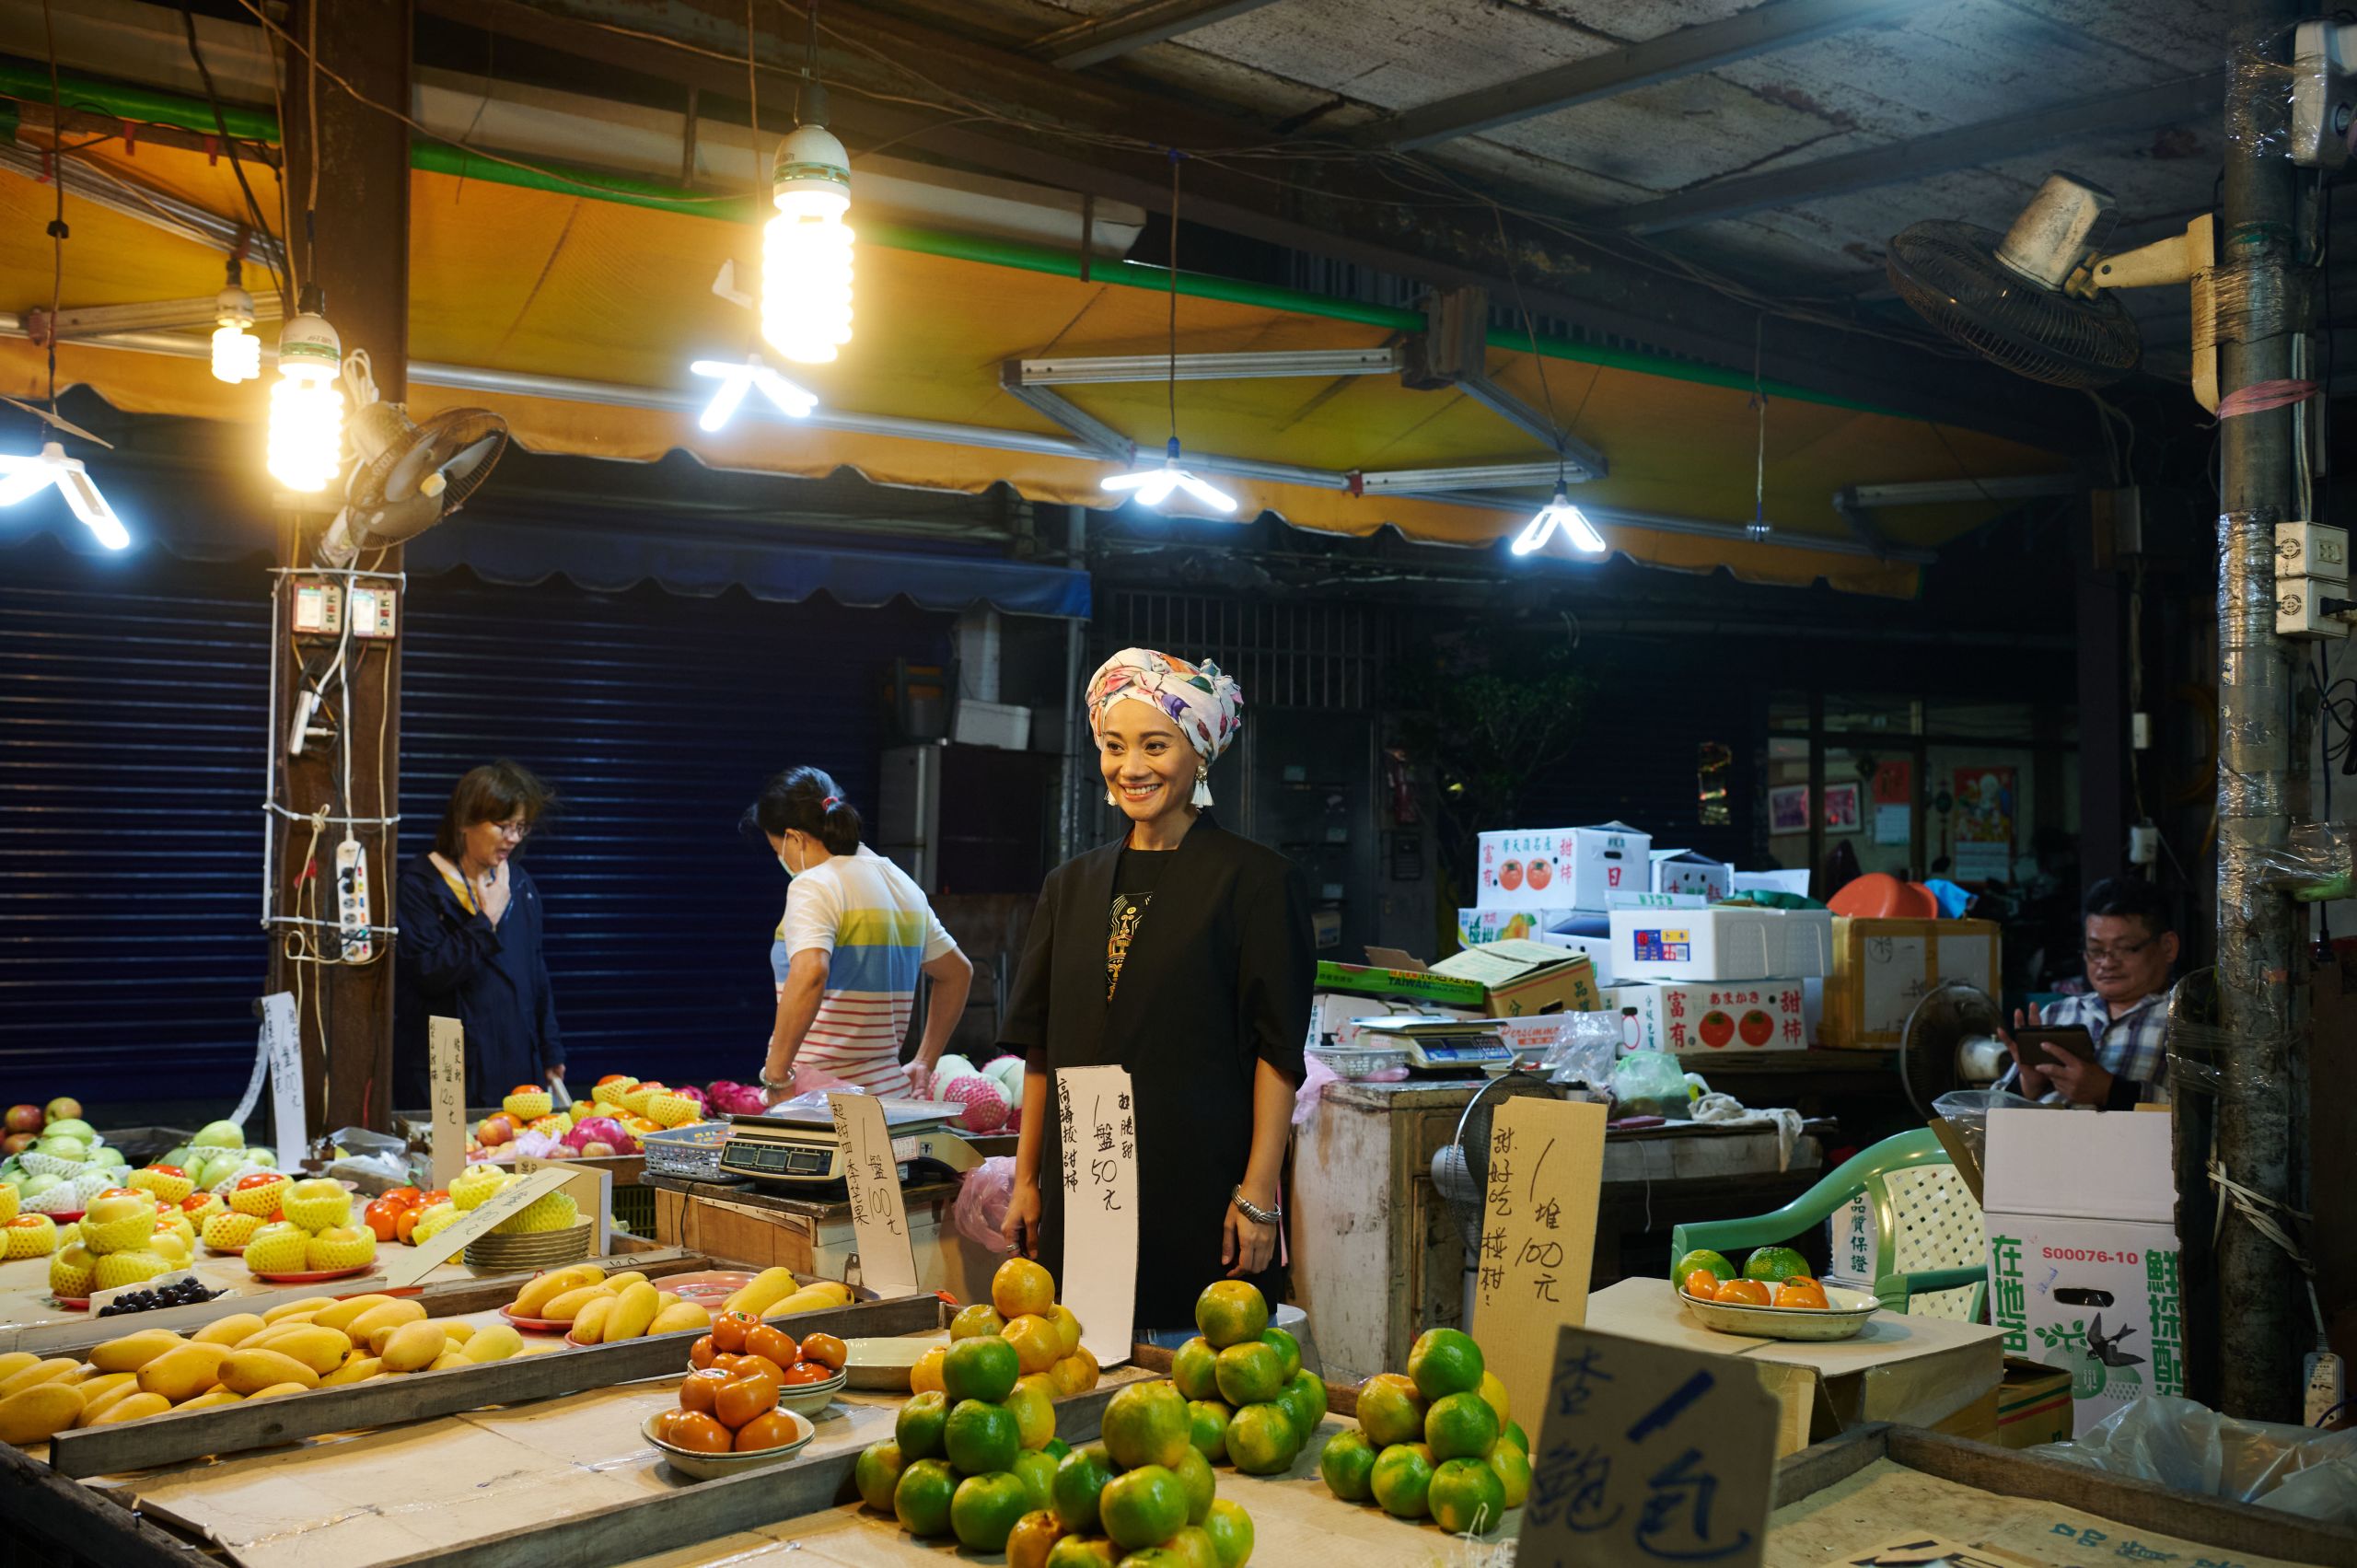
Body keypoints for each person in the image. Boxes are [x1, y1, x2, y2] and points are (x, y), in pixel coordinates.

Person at [999, 648, 1314, 1340]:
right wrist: (1025, 1180)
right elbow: (1039, 1047)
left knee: (1197, 1374)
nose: (1130, 766)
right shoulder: (1069, 886)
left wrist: (1258, 1194)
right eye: (1114, 746)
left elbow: (1278, 1052)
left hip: (1199, 1194)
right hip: (1082, 1191)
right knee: (1083, 1368)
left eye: (1155, 744)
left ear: (1199, 753)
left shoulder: (1259, 883)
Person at [749, 767, 972, 1103]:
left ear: (794, 837)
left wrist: (777, 1075)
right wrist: (924, 1061)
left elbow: (811, 973)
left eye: (777, 848)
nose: (782, 859)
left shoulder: (814, 886)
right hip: (890, 1098)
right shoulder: (902, 883)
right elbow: (958, 973)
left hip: (820, 1104)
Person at [394, 761, 563, 1109]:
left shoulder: (521, 885)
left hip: (516, 1065)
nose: (513, 838)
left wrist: (550, 1049)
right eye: (503, 826)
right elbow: (429, 973)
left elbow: (536, 973)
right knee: (453, 1147)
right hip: (448, 1066)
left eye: (521, 827)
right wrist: (486, 921)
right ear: (465, 821)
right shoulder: (419, 885)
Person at [1999, 877, 2177, 1108]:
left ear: (2168, 947)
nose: (2107, 963)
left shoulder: (2186, 1022)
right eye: (2095, 950)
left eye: (2124, 948)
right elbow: (1989, 1112)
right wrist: (2028, 1085)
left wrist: (2111, 1092)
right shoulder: (2055, 1014)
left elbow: (2206, 1115)